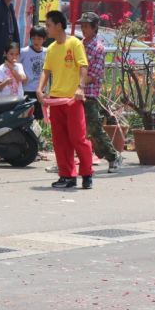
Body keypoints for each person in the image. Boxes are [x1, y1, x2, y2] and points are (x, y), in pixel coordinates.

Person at [37, 10, 93, 190]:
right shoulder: (52, 48)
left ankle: (87, 173)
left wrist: (80, 87)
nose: (47, 29)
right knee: (60, 140)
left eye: (48, 25)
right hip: (56, 99)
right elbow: (46, 71)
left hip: (73, 99)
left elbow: (84, 67)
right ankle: (67, 175)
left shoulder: (75, 43)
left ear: (59, 25)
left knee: (78, 138)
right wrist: (40, 89)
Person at [78, 12, 121, 173]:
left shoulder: (98, 49)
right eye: (82, 26)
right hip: (75, 92)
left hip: (88, 94)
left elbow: (94, 75)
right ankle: (69, 160)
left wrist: (77, 84)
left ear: (95, 28)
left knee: (94, 129)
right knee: (75, 129)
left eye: (86, 26)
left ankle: (113, 156)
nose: (83, 29)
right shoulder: (78, 45)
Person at [20, 25, 48, 123]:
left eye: (39, 38)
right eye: (33, 38)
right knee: (27, 116)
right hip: (27, 89)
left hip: (40, 90)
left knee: (39, 117)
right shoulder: (24, 51)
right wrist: (21, 75)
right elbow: (15, 64)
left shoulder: (47, 52)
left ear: (44, 39)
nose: (36, 41)